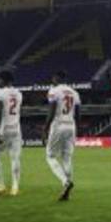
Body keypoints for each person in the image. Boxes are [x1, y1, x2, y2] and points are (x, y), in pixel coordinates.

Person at [43, 71, 80, 201]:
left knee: (50, 156)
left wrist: (45, 128)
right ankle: (67, 188)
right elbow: (78, 114)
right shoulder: (75, 93)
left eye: (53, 78)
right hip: (71, 125)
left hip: (58, 125)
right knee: (67, 158)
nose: (52, 80)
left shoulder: (54, 91)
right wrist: (77, 129)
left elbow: (52, 110)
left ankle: (65, 182)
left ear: (57, 78)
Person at [0, 70, 24, 196]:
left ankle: (0, 185)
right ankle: (15, 187)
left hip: (4, 128)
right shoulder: (19, 94)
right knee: (15, 158)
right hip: (16, 128)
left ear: (4, 80)